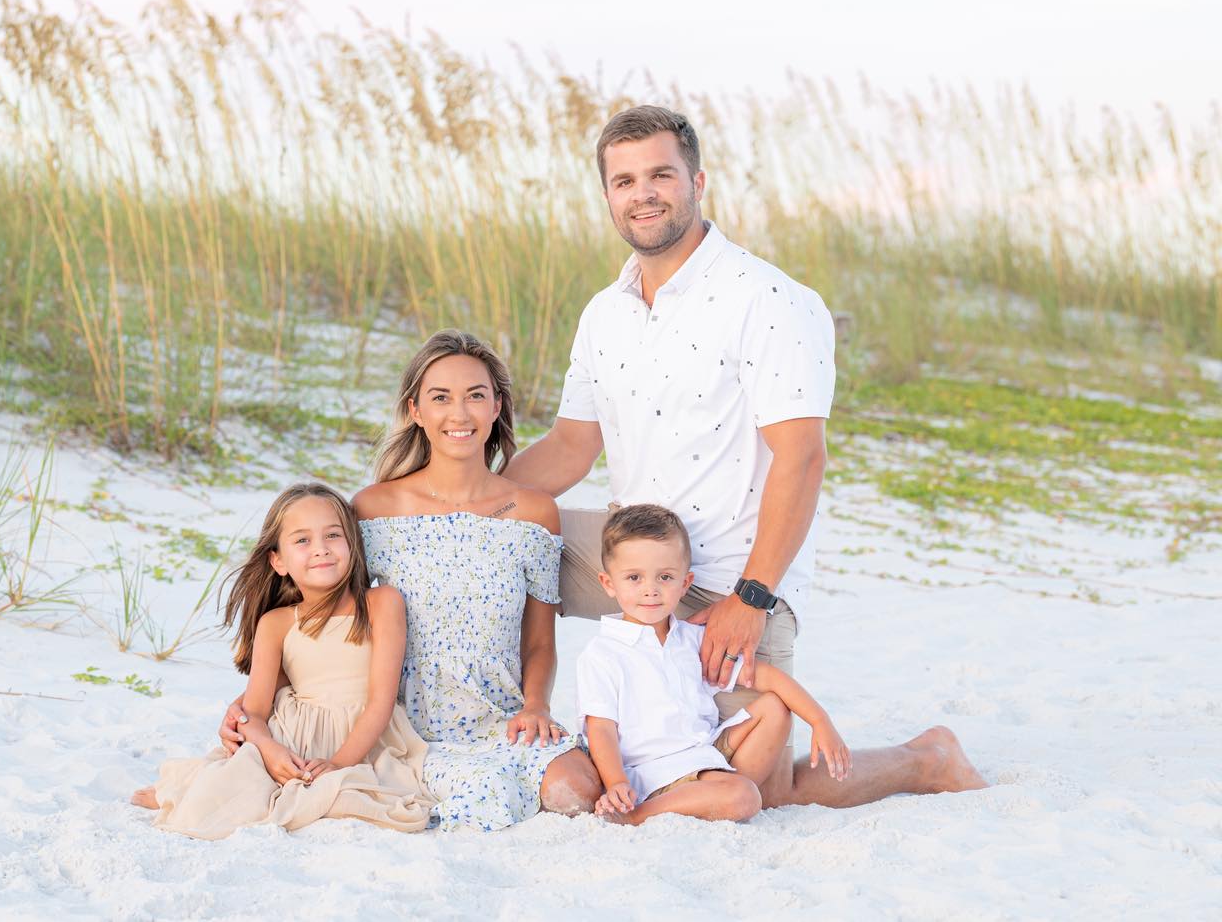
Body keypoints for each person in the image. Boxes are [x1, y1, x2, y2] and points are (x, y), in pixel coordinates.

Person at [505, 104, 986, 807]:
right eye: (625, 180)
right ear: (607, 194)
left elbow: (802, 458)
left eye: (661, 174)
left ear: (698, 182)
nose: (644, 193)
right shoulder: (604, 314)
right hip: (631, 560)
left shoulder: (768, 299)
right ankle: (487, 717)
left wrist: (751, 599)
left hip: (734, 578)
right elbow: (571, 448)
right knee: (495, 535)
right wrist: (446, 499)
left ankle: (928, 760)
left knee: (764, 790)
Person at [221, 331, 603, 830]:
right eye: (440, 397)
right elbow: (321, 615)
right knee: (483, 800)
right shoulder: (374, 508)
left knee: (575, 789)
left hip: (499, 715)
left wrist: (535, 706)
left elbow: (538, 642)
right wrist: (252, 702)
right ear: (415, 410)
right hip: (399, 727)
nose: (459, 414)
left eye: (475, 396)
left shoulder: (534, 513)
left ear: (497, 406)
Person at [131, 483, 435, 838]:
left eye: (333, 535)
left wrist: (338, 764)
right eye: (302, 540)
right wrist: (272, 751)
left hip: (363, 742)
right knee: (227, 788)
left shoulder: (382, 603)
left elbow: (381, 703)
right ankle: (181, 790)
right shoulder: (276, 623)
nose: (321, 549)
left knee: (350, 800)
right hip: (291, 738)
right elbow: (255, 713)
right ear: (278, 560)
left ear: (353, 545)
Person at [578, 504, 851, 826]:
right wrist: (616, 783)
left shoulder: (692, 640)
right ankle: (639, 816)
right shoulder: (603, 654)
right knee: (745, 796)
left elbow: (767, 678)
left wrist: (820, 721)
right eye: (634, 578)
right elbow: (601, 730)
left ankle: (720, 794)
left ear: (685, 582)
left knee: (775, 708)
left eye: (665, 577)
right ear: (609, 583)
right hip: (655, 772)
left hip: (705, 752)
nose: (650, 589)